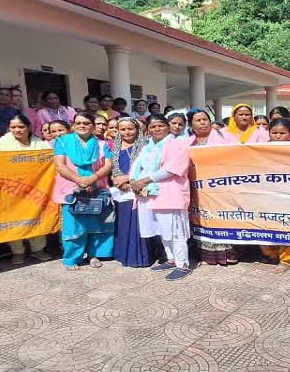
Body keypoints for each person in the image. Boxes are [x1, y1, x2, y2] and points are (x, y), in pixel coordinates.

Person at [129, 116, 192, 281]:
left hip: (170, 192)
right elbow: (137, 166)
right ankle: (171, 259)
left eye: (161, 125)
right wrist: (134, 181)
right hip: (149, 194)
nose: (157, 129)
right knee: (161, 230)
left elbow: (171, 169)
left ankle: (183, 264)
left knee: (175, 230)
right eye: (153, 126)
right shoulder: (147, 147)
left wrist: (143, 180)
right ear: (148, 129)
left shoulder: (178, 144)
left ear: (167, 127)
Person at [53, 113, 114, 270]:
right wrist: (80, 180)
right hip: (72, 190)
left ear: (92, 126)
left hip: (97, 189)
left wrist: (92, 179)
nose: (82, 125)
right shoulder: (62, 142)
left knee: (96, 223)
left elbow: (108, 165)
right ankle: (72, 258)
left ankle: (93, 254)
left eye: (86, 123)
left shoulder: (102, 145)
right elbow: (60, 166)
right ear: (73, 126)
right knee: (74, 225)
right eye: (78, 123)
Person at [0, 114, 53, 264]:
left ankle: (38, 249)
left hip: (35, 187)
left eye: (21, 126)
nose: (17, 130)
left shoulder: (39, 142)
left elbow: (49, 160)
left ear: (28, 127)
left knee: (36, 217)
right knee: (14, 220)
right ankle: (17, 251)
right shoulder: (2, 142)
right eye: (13, 127)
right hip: (11, 189)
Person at [186, 108, 238, 266]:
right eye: (198, 120)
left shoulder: (225, 136)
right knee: (204, 219)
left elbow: (239, 156)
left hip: (222, 187)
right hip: (199, 189)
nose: (203, 122)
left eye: (205, 119)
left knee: (223, 220)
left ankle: (228, 254)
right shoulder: (187, 143)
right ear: (191, 125)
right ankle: (209, 256)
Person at [258, 118, 290, 273]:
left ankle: (286, 259)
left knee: (287, 227)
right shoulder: (260, 149)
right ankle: (270, 254)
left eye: (282, 133)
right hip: (266, 193)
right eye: (274, 132)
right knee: (265, 225)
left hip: (288, 194)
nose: (277, 136)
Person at [109, 116, 152, 268]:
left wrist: (128, 178)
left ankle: (140, 257)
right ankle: (124, 255)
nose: (126, 132)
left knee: (139, 223)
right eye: (122, 129)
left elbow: (149, 168)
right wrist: (117, 180)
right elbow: (112, 168)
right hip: (121, 192)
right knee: (124, 222)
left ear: (137, 130)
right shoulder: (114, 147)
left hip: (140, 189)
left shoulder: (145, 146)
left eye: (130, 128)